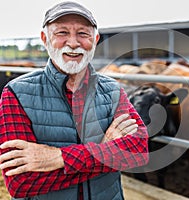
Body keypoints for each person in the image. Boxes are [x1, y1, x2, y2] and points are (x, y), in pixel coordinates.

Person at [0, 1, 149, 199]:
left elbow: (139, 151)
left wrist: (58, 157)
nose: (73, 43)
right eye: (62, 33)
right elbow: (21, 183)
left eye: (83, 33)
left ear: (95, 39)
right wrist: (105, 151)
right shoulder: (16, 93)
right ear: (45, 38)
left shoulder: (113, 90)